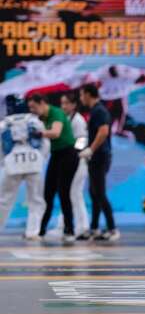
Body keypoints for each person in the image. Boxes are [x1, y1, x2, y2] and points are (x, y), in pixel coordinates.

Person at [27, 94, 78, 244]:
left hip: (68, 154)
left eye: (34, 107)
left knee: (64, 192)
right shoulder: (41, 117)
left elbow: (55, 133)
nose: (32, 110)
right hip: (56, 155)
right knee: (47, 194)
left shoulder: (56, 113)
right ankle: (41, 231)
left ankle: (69, 230)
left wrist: (39, 134)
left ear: (42, 102)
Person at [0, 96, 49, 240]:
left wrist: (3, 162)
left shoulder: (4, 124)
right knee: (36, 199)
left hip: (13, 162)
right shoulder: (34, 121)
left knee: (4, 200)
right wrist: (41, 157)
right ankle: (32, 232)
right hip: (33, 161)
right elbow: (45, 143)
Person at [78, 84, 119, 241]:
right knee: (94, 193)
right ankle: (94, 228)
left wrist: (91, 149)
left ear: (88, 94)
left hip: (101, 156)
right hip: (95, 157)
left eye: (82, 95)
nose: (81, 99)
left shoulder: (99, 110)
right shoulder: (94, 111)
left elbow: (103, 132)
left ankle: (112, 228)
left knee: (100, 193)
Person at [54, 92, 90, 237]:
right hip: (68, 162)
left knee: (75, 194)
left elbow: (82, 140)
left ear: (74, 105)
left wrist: (72, 154)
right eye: (62, 103)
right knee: (66, 193)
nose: (63, 106)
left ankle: (82, 227)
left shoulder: (78, 120)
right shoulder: (64, 118)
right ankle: (63, 225)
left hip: (77, 162)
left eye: (66, 103)